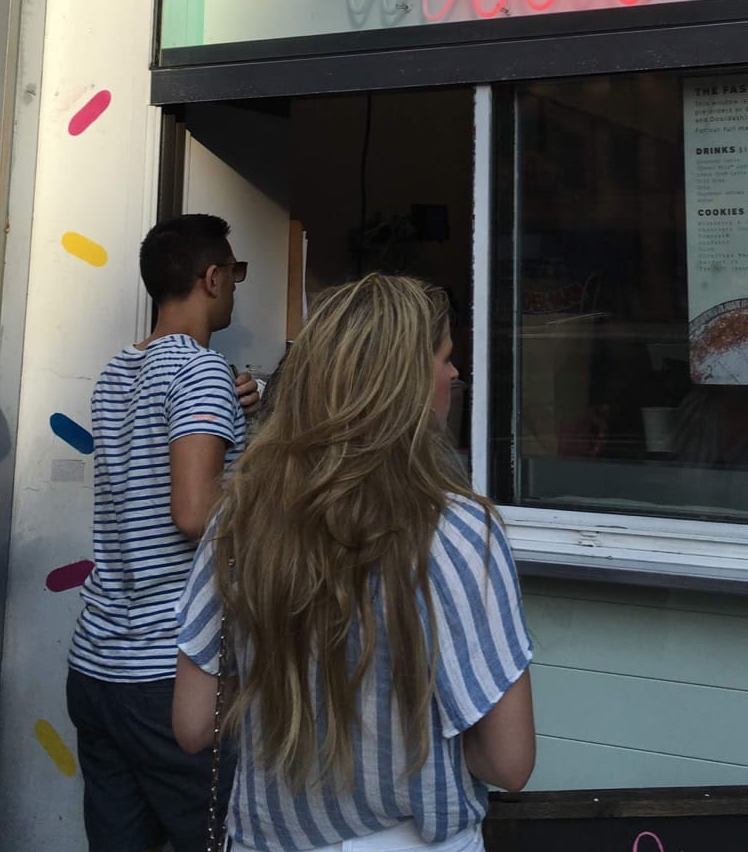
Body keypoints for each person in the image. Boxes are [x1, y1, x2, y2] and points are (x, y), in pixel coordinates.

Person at [173, 273, 535, 852]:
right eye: (444, 357)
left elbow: (194, 726)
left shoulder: (238, 519)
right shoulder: (461, 531)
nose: (454, 374)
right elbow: (508, 761)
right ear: (404, 383)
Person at [67, 212, 260, 852]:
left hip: (98, 664)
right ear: (211, 278)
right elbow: (195, 514)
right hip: (169, 673)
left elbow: (156, 484)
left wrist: (238, 416)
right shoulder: (203, 373)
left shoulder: (117, 374)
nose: (235, 286)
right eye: (233, 274)